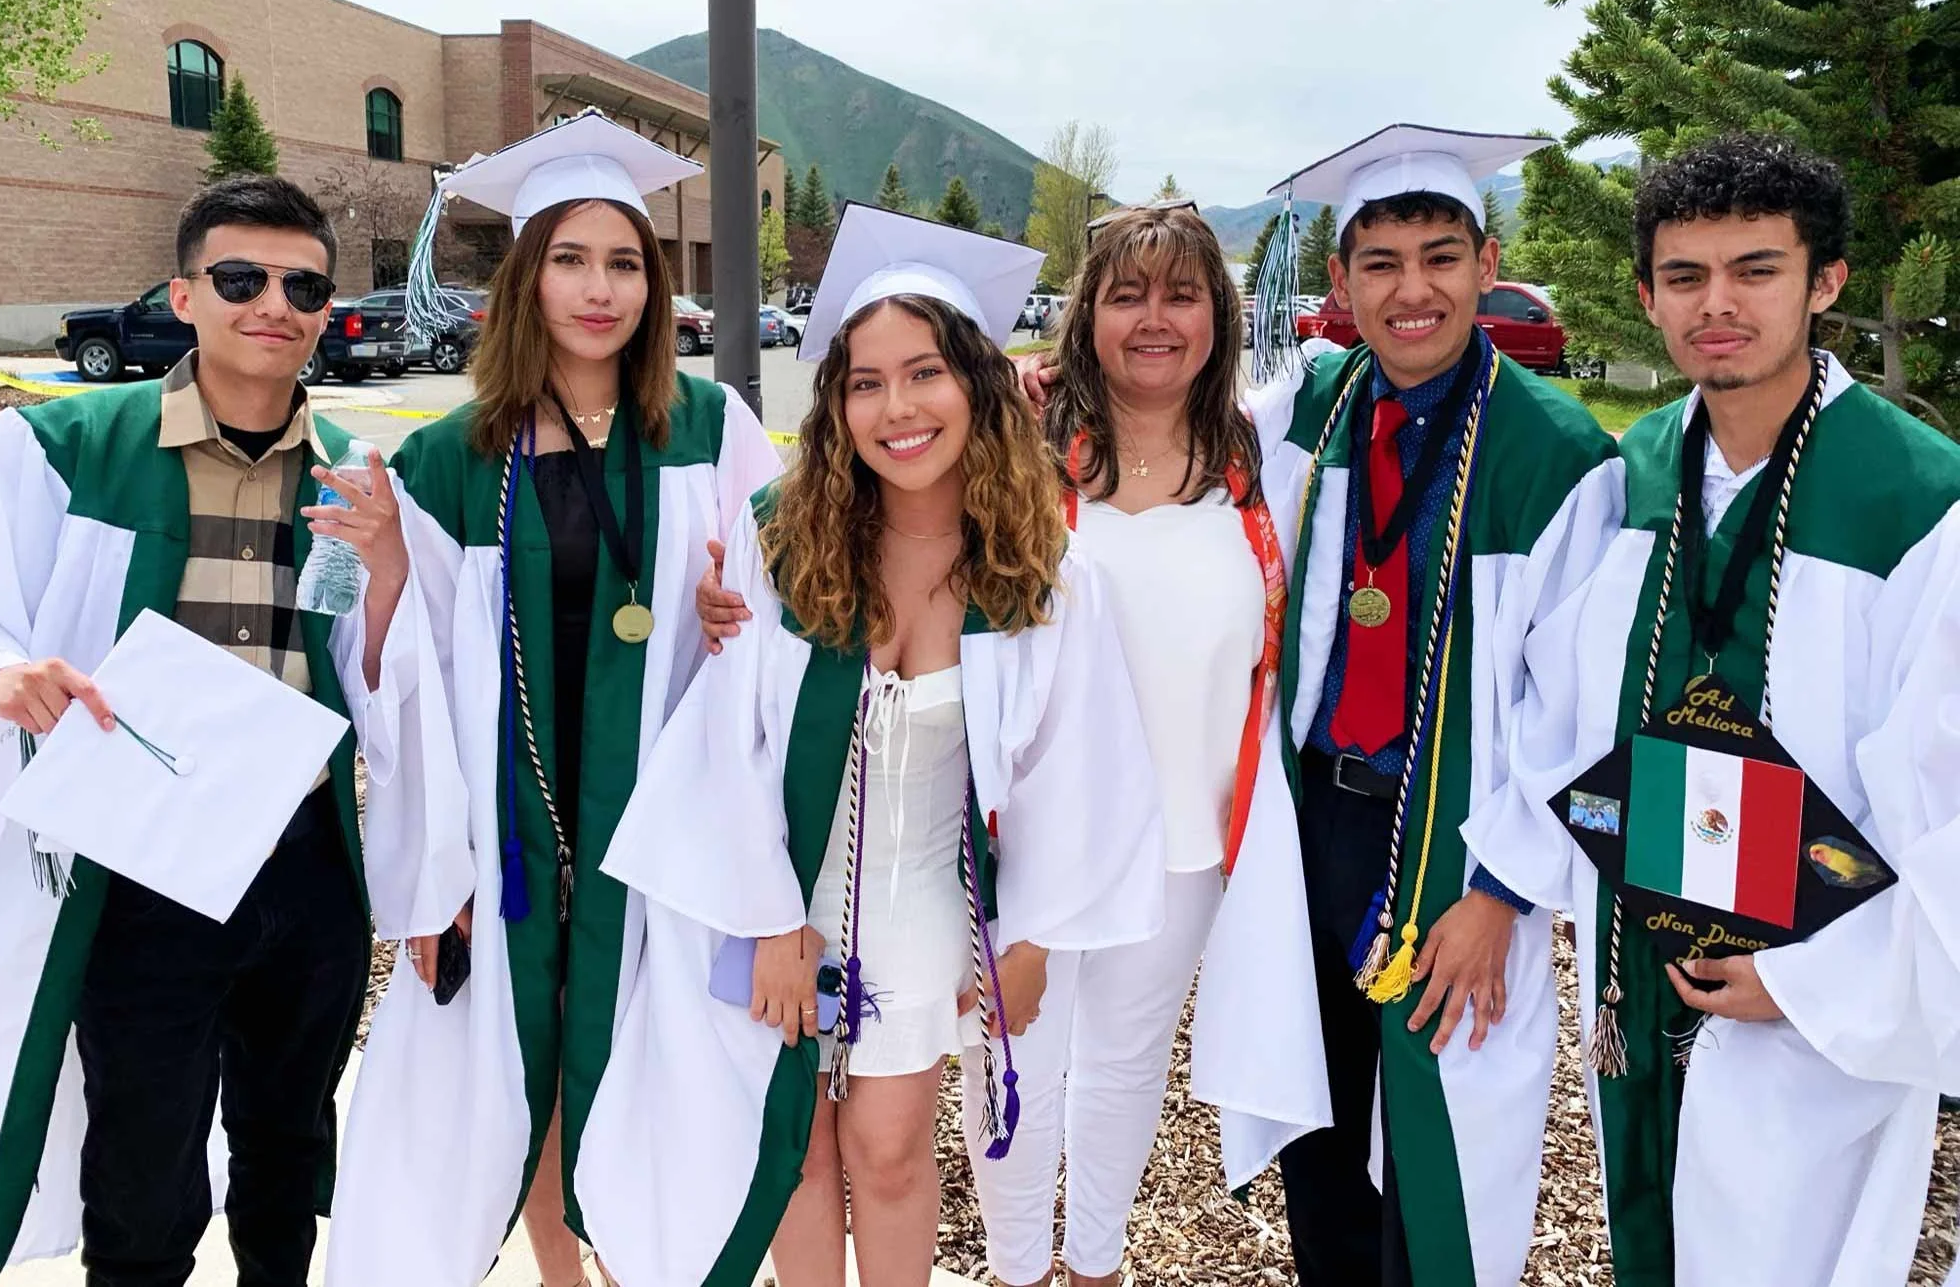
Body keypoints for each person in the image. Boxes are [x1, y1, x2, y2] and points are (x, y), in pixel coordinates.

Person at [575, 205, 1166, 1287]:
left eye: (924, 371)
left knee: (888, 1151)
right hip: (776, 896)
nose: (894, 407)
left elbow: (1078, 771)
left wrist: (1027, 938)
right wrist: (765, 922)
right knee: (794, 1149)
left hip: (920, 903)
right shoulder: (777, 539)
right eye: (862, 380)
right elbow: (728, 742)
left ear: (976, 388)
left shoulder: (1041, 574)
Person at [1467, 133, 1960, 1286]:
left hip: (1816, 981)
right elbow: (1563, 711)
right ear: (1645, 295)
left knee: (1780, 1243)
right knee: (1647, 1220)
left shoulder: (1912, 502)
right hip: (1640, 951)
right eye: (1684, 277)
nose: (1716, 304)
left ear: (1822, 281)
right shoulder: (1631, 473)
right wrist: (1503, 877)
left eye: (1755, 268)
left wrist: (1805, 980)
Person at [322, 110, 782, 1287]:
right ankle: (562, 1274)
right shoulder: (446, 458)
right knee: (520, 1071)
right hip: (510, 829)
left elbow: (788, 599)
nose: (599, 288)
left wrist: (741, 619)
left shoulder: (712, 431)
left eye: (624, 261)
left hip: (659, 823)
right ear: (524, 279)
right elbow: (391, 679)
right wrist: (381, 574)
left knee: (643, 1066)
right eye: (570, 259)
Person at [0, 176, 407, 1286]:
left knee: (290, 1135)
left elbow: (373, 664)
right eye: (241, 278)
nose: (275, 304)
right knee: (145, 1150)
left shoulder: (353, 476)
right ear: (182, 293)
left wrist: (391, 566)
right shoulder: (67, 447)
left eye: (303, 284)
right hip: (142, 863)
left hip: (301, 860)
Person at [1261, 125, 1622, 1287]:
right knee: (1315, 1129)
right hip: (1311, 824)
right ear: (1340, 282)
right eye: (1379, 262)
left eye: (1438, 255)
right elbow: (1148, 403)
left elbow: (1584, 715)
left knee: (1440, 1146)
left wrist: (1499, 892)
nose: (1409, 289)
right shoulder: (1308, 409)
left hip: (1455, 843)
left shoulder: (1555, 452)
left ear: (1485, 259)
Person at [956, 203, 1330, 1287]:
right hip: (1032, 839)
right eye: (1126, 294)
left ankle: (1096, 1267)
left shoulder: (1258, 461)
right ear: (1087, 316)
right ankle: (1019, 1268)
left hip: (1185, 835)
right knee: (1011, 1069)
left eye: (1180, 293)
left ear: (1217, 312)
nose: (1153, 318)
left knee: (1122, 1071)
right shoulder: (1020, 452)